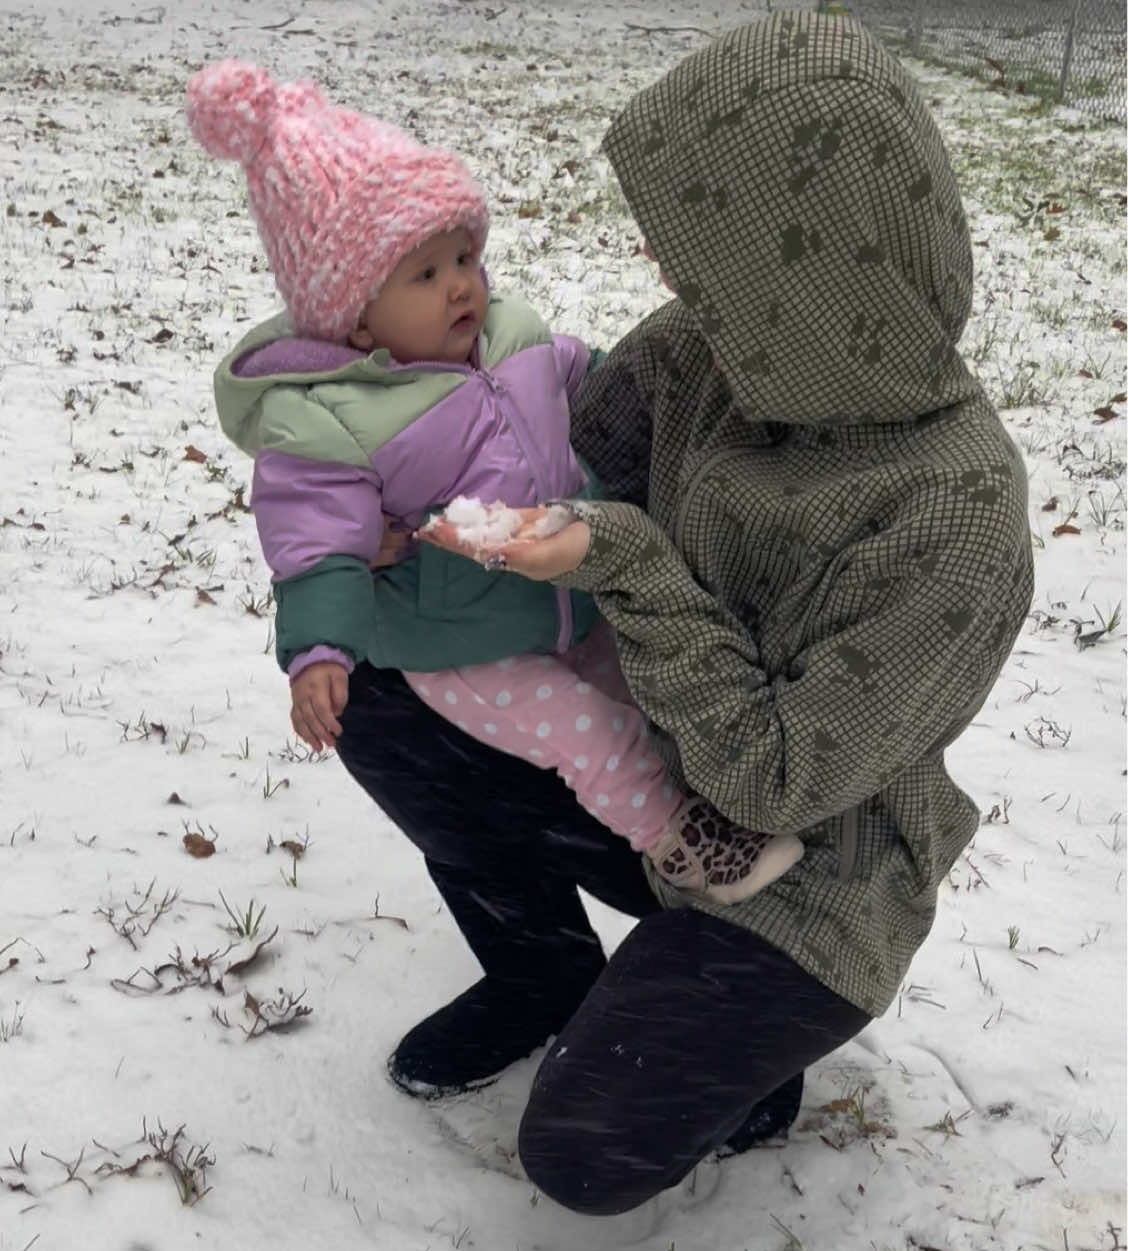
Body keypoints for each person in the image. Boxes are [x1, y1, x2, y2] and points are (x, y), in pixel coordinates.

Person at [308, 8, 1035, 1217]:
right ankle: (541, 973)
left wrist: (629, 560)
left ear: (810, 265)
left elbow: (773, 781)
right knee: (385, 687)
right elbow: (546, 468)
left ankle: (762, 1042)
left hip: (811, 871)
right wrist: (376, 494)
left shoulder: (951, 520)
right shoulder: (712, 353)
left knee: (585, 1157)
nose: (670, 280)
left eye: (711, 254)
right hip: (640, 770)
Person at [185, 61, 802, 927]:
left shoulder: (511, 335)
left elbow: (579, 382)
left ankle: (723, 807)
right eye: (426, 275)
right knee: (587, 732)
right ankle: (684, 847)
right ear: (354, 316)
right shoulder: (332, 422)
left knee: (641, 691)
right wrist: (318, 652)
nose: (463, 285)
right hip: (464, 647)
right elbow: (315, 544)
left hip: (565, 594)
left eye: (465, 256)